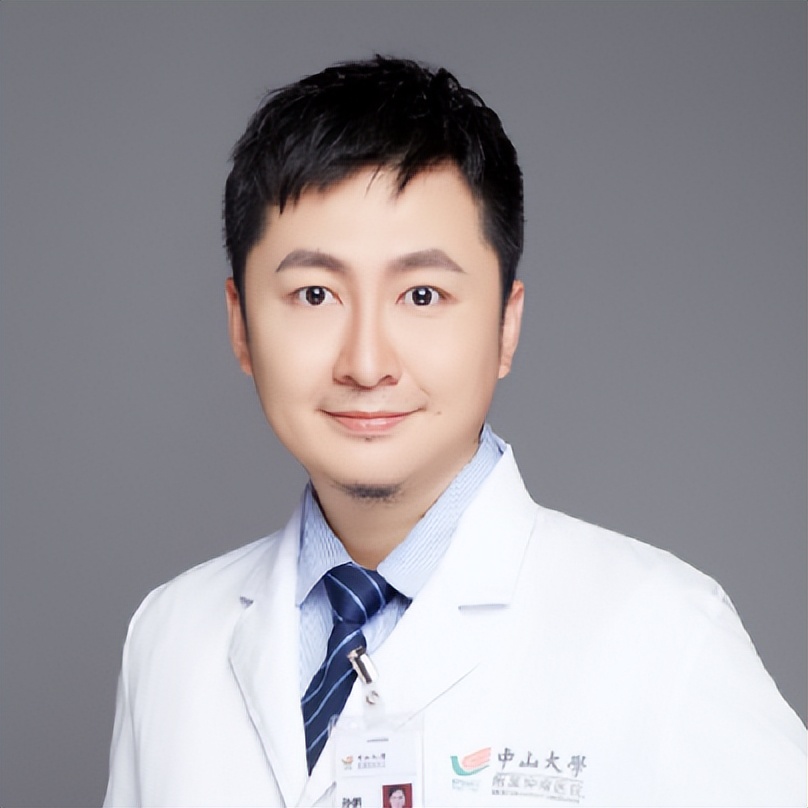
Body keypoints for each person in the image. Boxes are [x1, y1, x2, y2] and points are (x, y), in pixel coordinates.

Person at [103, 56, 806, 807]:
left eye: (422, 294)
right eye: (313, 294)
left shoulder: (663, 633)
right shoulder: (172, 635)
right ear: (241, 324)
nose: (366, 363)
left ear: (506, 324)